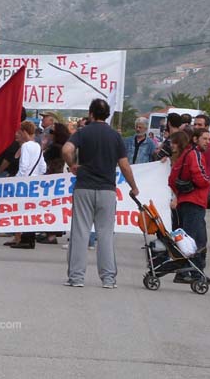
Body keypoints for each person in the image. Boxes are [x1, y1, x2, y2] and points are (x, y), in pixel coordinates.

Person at [61, 98, 140, 288]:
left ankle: (76, 278)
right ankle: (108, 279)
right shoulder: (115, 136)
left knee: (80, 232)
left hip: (84, 186)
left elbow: (66, 149)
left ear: (91, 114)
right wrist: (133, 187)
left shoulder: (82, 133)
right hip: (107, 190)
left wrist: (72, 165)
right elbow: (124, 165)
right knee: (105, 234)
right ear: (107, 115)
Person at [169, 128, 210, 284]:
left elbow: (172, 178)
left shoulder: (186, 154)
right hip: (193, 203)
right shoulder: (195, 154)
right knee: (192, 241)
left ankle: (196, 272)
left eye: (208, 139)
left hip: (189, 202)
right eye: (204, 139)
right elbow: (199, 177)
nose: (207, 142)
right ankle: (187, 272)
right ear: (195, 139)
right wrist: (209, 182)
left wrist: (178, 194)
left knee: (197, 240)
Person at [6, 121, 48, 250]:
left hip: (25, 183)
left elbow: (23, 166)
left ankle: (23, 238)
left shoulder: (25, 146)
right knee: (31, 211)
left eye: (20, 132)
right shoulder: (37, 146)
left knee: (21, 210)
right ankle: (30, 239)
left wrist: (17, 180)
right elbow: (43, 167)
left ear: (24, 132)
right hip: (35, 183)